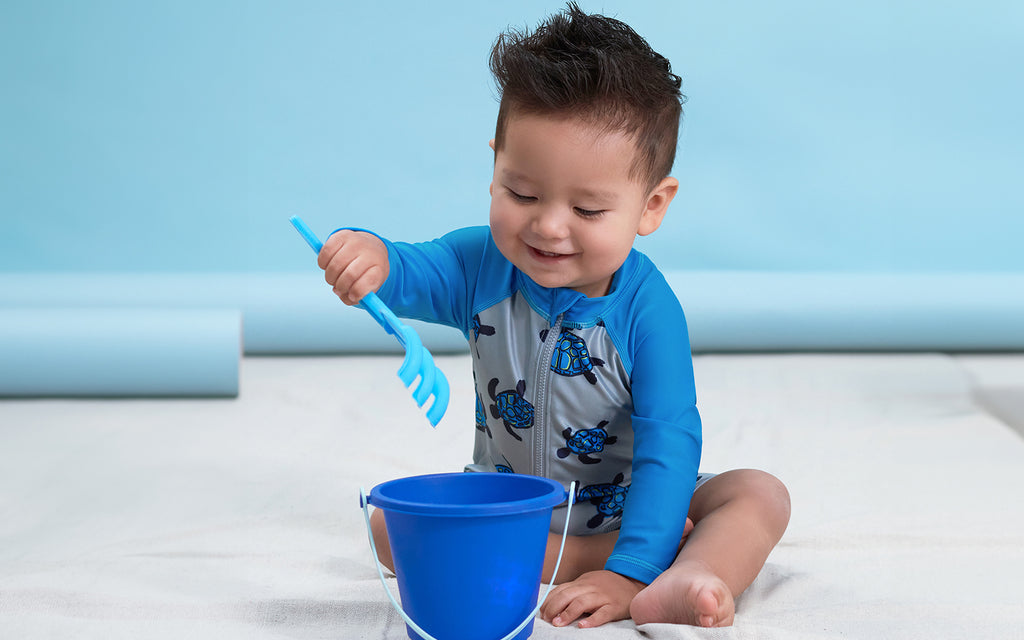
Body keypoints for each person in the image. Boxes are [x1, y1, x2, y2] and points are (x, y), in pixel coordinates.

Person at [318, 2, 790, 629]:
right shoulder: (478, 267)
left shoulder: (649, 312)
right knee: (387, 526)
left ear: (651, 205)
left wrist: (632, 569)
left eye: (589, 210)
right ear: (495, 167)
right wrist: (369, 255)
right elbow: (409, 270)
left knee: (758, 493)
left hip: (632, 508)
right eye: (522, 193)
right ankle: (605, 556)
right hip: (511, 508)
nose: (547, 226)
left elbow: (669, 444)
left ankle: (687, 572)